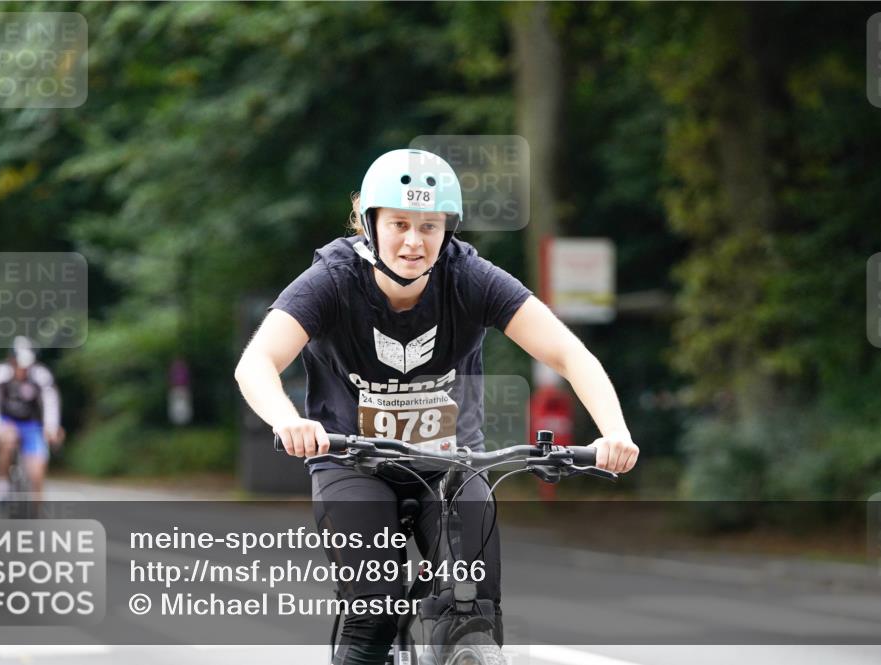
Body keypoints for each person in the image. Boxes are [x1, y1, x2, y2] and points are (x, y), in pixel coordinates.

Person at [235, 149, 638, 665]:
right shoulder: (332, 281)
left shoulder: (469, 278)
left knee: (474, 605)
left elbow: (568, 352)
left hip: (452, 462)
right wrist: (289, 421)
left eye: (430, 226)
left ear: (448, 230)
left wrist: (613, 431)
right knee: (374, 608)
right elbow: (257, 362)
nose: (413, 241)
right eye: (399, 223)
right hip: (352, 462)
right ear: (368, 223)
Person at [0, 336, 65, 505]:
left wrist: (52, 428)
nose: (22, 370)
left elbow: (51, 402)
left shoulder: (41, 375)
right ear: (10, 360)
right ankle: (3, 484)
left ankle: (36, 514)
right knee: (8, 439)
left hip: (32, 425)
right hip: (6, 422)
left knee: (37, 471)